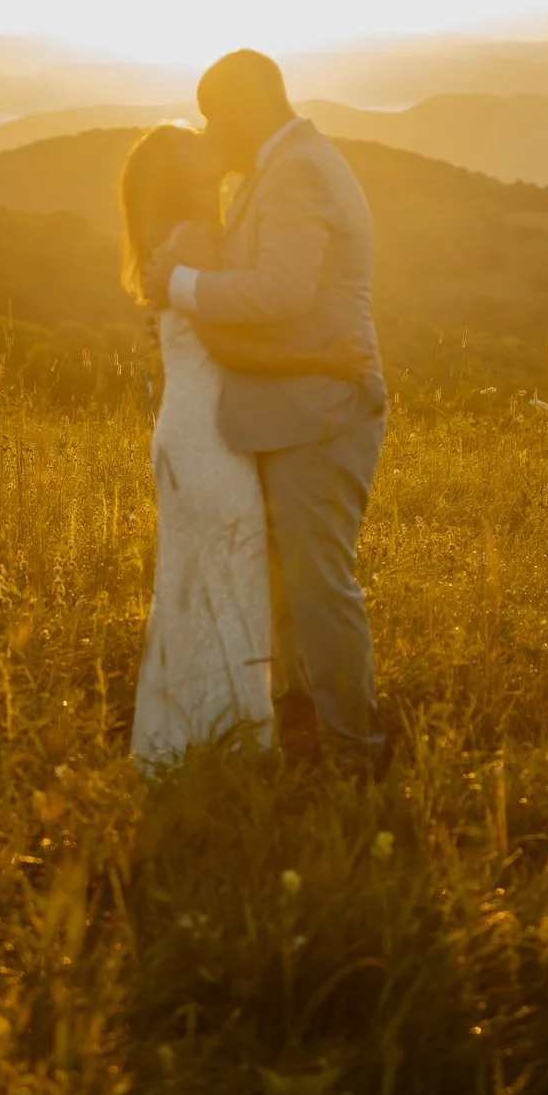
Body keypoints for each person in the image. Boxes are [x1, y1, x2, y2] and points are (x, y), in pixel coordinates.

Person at [142, 50, 389, 771]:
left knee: (319, 586)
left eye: (216, 115)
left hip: (321, 409)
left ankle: (355, 753)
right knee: (290, 588)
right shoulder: (285, 167)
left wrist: (181, 284)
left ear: (247, 105)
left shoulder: (299, 169)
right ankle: (306, 730)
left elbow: (284, 291)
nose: (211, 131)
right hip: (292, 409)